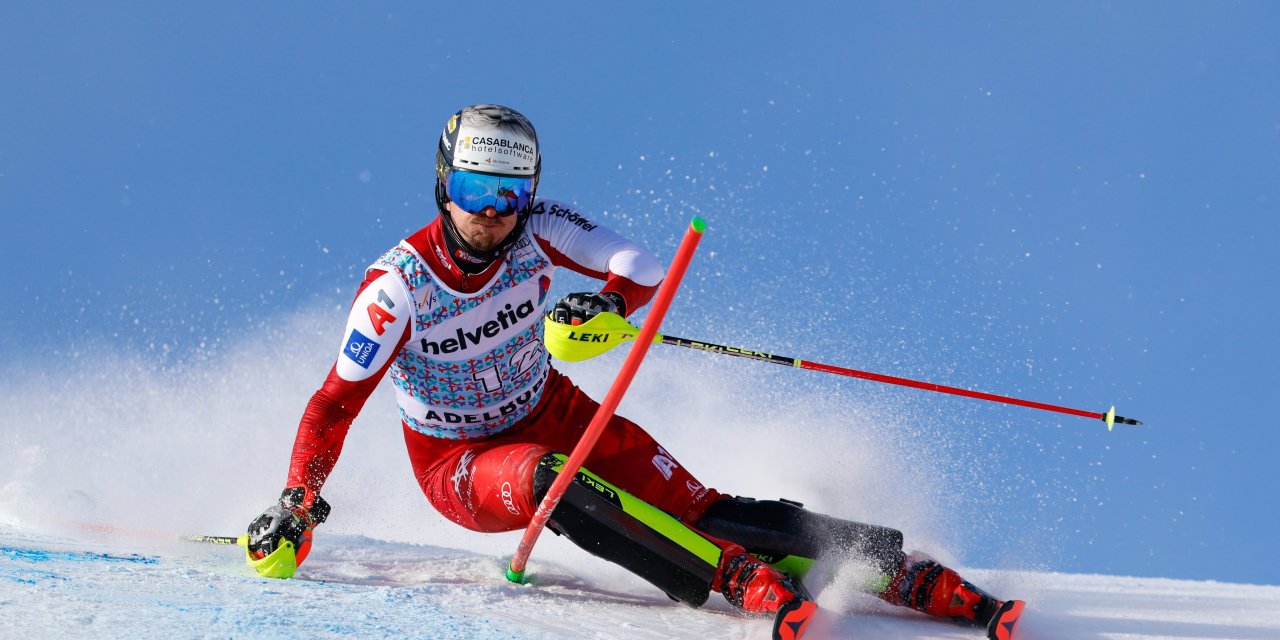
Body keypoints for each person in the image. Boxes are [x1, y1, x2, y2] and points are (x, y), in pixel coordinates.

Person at [244, 104, 1024, 640]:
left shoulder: (538, 230)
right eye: (474, 190)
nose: (492, 212)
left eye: (510, 194)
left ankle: (894, 568)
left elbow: (639, 264)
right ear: (444, 184)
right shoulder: (396, 289)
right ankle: (736, 580)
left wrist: (606, 303)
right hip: (461, 462)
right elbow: (333, 405)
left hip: (552, 409)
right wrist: (297, 499)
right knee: (556, 480)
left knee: (698, 505)